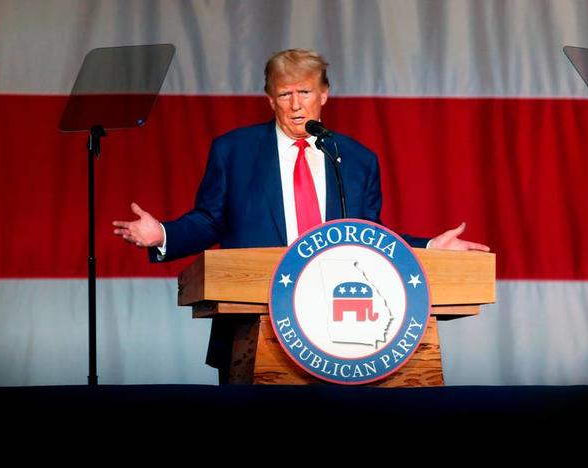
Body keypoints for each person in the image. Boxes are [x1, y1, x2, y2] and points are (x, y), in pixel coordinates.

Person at [113, 48, 489, 380]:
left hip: (341, 332)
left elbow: (368, 236)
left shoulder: (357, 159)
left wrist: (427, 248)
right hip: (254, 325)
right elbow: (211, 219)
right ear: (269, 99)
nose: (296, 105)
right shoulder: (235, 151)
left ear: (323, 94)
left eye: (305, 92)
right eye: (285, 94)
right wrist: (164, 234)